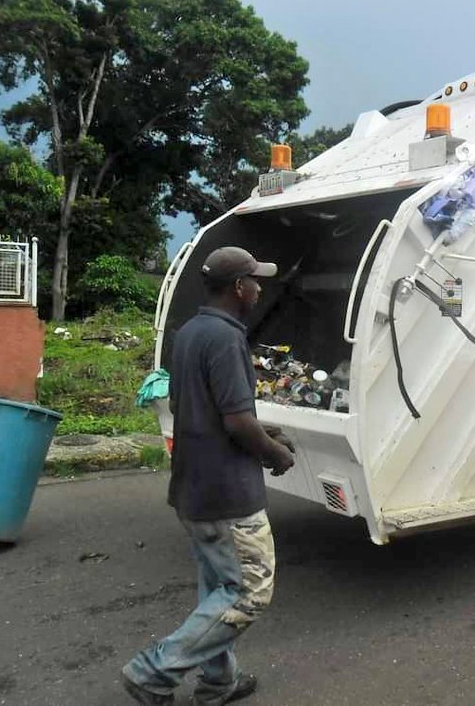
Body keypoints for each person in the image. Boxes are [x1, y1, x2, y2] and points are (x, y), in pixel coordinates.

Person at [122, 246, 296, 706]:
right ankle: (152, 671)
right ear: (239, 287)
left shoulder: (190, 332)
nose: (260, 287)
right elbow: (236, 421)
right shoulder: (226, 337)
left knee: (216, 589)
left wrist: (264, 427)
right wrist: (275, 452)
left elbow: (199, 406)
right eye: (256, 280)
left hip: (192, 489)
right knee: (249, 591)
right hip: (228, 496)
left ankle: (219, 683)